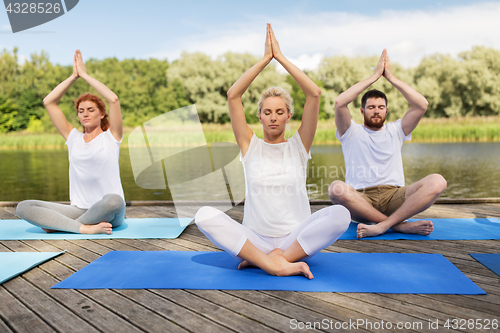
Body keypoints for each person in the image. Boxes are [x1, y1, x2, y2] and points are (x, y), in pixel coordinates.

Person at [195, 24, 351, 279]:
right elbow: (233, 95)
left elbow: (314, 94)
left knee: (342, 214)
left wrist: (280, 57)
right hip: (255, 240)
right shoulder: (250, 144)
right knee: (203, 215)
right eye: (267, 112)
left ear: (289, 116)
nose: (273, 118)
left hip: (296, 242)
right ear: (259, 116)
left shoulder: (299, 146)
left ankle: (273, 261)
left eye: (280, 112)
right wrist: (265, 60)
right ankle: (272, 263)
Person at [328, 49, 447, 239]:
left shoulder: (396, 130)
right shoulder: (350, 132)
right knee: (336, 188)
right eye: (371, 107)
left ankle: (383, 225)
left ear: (387, 111)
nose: (376, 111)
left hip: (395, 196)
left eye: (380, 107)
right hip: (361, 199)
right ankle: (399, 226)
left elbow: (421, 105)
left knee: (438, 181)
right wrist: (375, 76)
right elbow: (340, 102)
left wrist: (390, 77)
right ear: (362, 110)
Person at [16, 50, 125, 235]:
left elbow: (113, 99)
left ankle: (61, 225)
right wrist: (73, 77)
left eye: (91, 109)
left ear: (102, 113)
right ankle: (83, 228)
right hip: (79, 210)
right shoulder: (73, 137)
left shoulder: (111, 137)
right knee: (24, 207)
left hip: (108, 211)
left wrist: (85, 75)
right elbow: (49, 101)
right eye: (81, 110)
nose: (85, 114)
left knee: (114, 200)